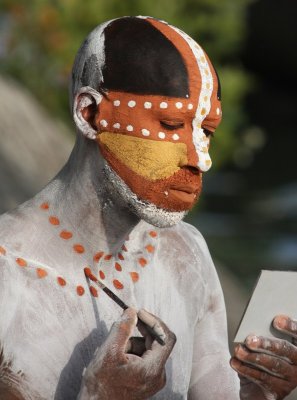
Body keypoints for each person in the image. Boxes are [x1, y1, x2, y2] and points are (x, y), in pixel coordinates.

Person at [0, 16, 297, 400]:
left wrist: (261, 391)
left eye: (205, 132)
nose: (200, 159)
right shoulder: (8, 271)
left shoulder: (186, 253)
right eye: (172, 125)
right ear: (89, 113)